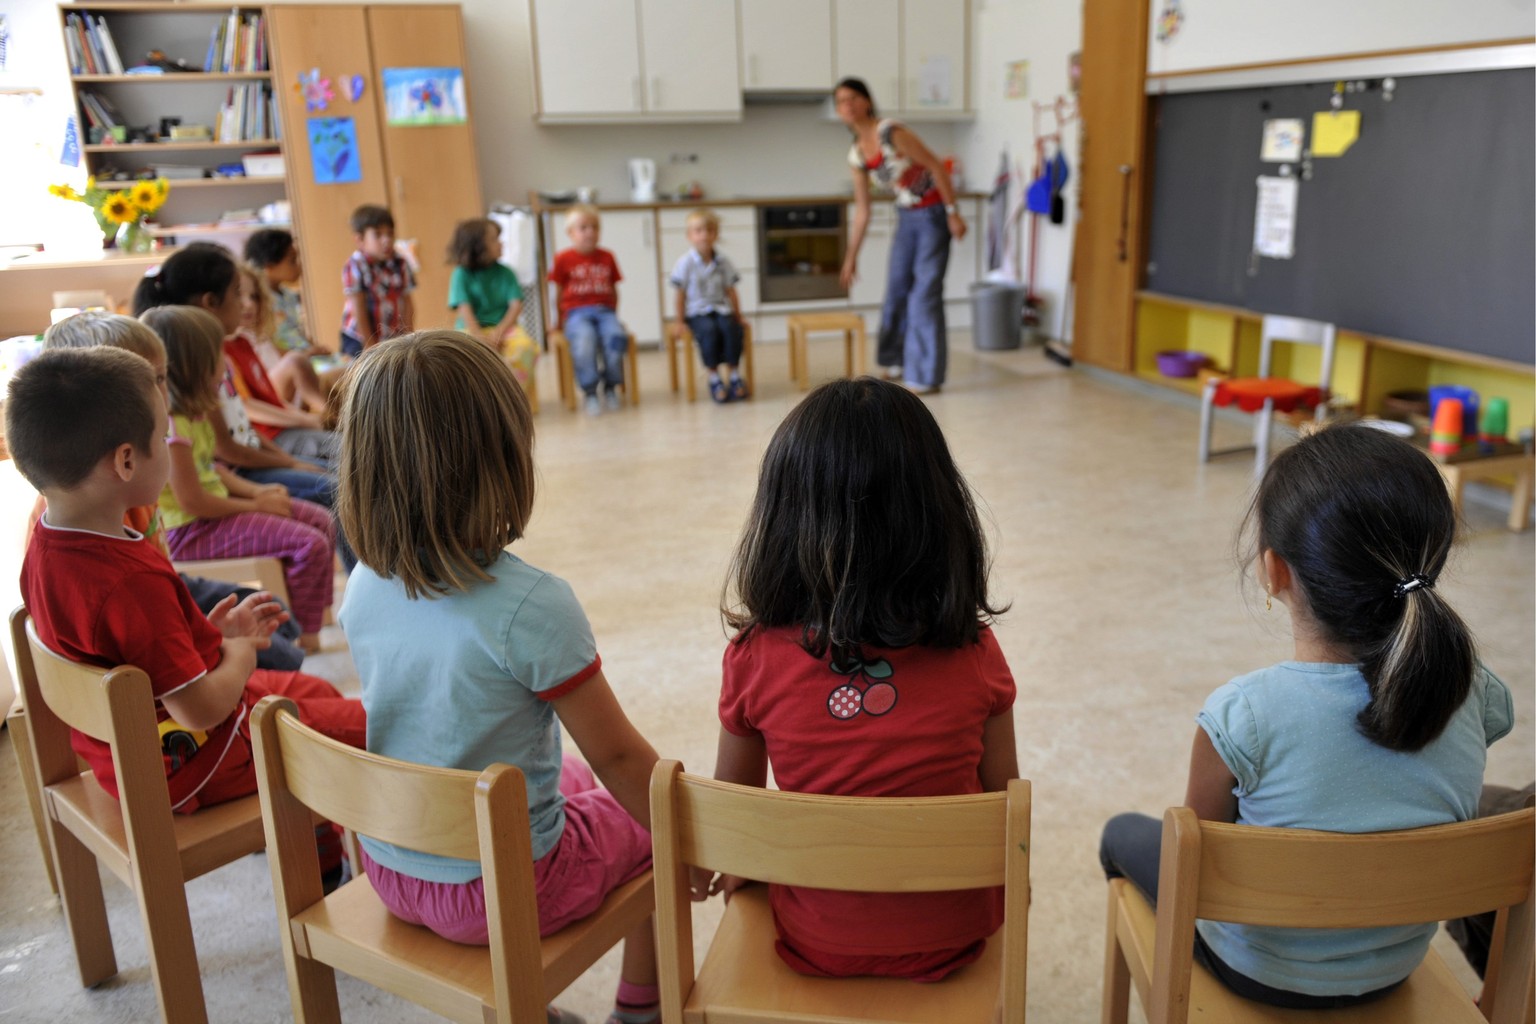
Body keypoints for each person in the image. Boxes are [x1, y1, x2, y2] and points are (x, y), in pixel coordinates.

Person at [1098, 423, 1514, 1009]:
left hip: (1257, 972)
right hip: (1394, 965)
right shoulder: (1475, 691)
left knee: (1122, 833)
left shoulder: (1243, 716)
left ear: (1275, 572)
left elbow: (1194, 868)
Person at [338, 331, 662, 1024]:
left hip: (393, 868)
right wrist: (703, 834)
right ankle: (642, 1011)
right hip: (502, 889)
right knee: (651, 831)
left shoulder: (363, 583)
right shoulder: (530, 604)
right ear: (504, 457)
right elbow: (622, 759)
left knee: (566, 778)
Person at [696, 377, 1018, 980]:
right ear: (939, 517)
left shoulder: (753, 659)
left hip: (815, 941)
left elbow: (735, 829)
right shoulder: (976, 652)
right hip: (955, 938)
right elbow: (1004, 815)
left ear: (784, 525)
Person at [6, 346, 363, 823]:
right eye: (164, 434)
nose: (174, 446)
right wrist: (239, 653)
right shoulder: (133, 581)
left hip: (130, 754)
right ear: (127, 461)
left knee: (315, 692)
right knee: (363, 731)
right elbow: (200, 711)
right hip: (187, 760)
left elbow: (136, 652)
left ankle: (308, 835)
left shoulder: (44, 548)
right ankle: (315, 860)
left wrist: (210, 637)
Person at [41, 310, 305, 672]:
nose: (162, 395)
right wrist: (214, 642)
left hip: (166, 585)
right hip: (159, 618)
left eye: (161, 377)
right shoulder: (93, 514)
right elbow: (140, 640)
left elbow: (211, 471)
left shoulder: (128, 488)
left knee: (274, 613)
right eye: (152, 380)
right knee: (277, 655)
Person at [143, 305, 337, 654]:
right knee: (308, 543)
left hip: (214, 516)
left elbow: (214, 471)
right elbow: (193, 500)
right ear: (192, 365)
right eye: (217, 354)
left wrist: (258, 490)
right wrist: (255, 503)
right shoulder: (171, 425)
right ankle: (304, 639)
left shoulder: (196, 412)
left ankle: (316, 617)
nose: (226, 363)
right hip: (191, 531)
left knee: (321, 520)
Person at [134, 243, 338, 472]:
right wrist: (293, 458)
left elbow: (245, 428)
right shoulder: (199, 368)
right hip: (246, 469)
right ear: (210, 302)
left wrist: (293, 458)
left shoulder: (226, 353)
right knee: (342, 472)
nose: (245, 303)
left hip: (261, 452)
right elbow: (227, 450)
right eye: (237, 293)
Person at [835, 77, 967, 395]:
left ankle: (925, 374)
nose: (847, 105)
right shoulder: (857, 155)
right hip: (907, 217)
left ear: (867, 101)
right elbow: (863, 210)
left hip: (934, 215)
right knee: (896, 289)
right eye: (840, 102)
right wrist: (850, 258)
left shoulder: (891, 133)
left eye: (853, 98)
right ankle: (894, 361)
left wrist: (953, 212)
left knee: (924, 295)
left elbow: (936, 166)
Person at [549, 204, 629, 416]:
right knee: (585, 340)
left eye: (594, 227)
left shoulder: (607, 256)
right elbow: (557, 293)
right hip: (576, 313)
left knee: (616, 337)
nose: (590, 232)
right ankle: (590, 390)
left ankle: (611, 386)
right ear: (570, 233)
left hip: (605, 312)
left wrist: (614, 316)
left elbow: (613, 289)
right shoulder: (562, 259)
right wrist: (558, 323)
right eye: (583, 227)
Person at [668, 208, 748, 403]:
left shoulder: (723, 262)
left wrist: (738, 316)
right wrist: (679, 321)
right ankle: (713, 377)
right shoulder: (684, 263)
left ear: (716, 234)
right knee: (709, 331)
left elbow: (731, 291)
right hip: (697, 313)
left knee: (731, 329)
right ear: (690, 235)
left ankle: (734, 374)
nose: (704, 235)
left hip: (721, 308)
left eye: (709, 230)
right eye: (698, 231)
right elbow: (680, 294)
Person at [340, 204, 415, 356]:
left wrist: (408, 335)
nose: (386, 240)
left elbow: (407, 301)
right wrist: (369, 346)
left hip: (391, 334)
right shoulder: (355, 265)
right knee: (365, 374)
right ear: (360, 240)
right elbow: (358, 308)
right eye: (378, 235)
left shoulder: (400, 263)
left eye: (390, 233)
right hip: (359, 337)